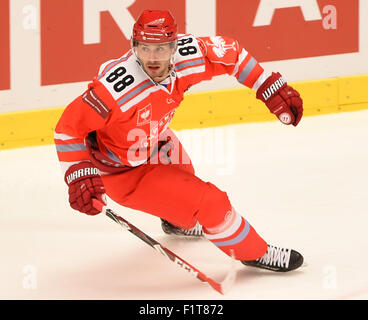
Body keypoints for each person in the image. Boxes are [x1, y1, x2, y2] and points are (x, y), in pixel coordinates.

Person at [54, 9, 304, 272]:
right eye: (144, 48)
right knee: (211, 203)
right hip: (123, 173)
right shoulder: (116, 90)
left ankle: (175, 222)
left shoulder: (188, 56)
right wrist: (79, 175)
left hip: (156, 142)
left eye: (161, 49)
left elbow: (232, 53)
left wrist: (266, 85)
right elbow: (68, 128)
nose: (152, 58)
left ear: (175, 46)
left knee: (186, 178)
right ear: (133, 46)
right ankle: (255, 252)